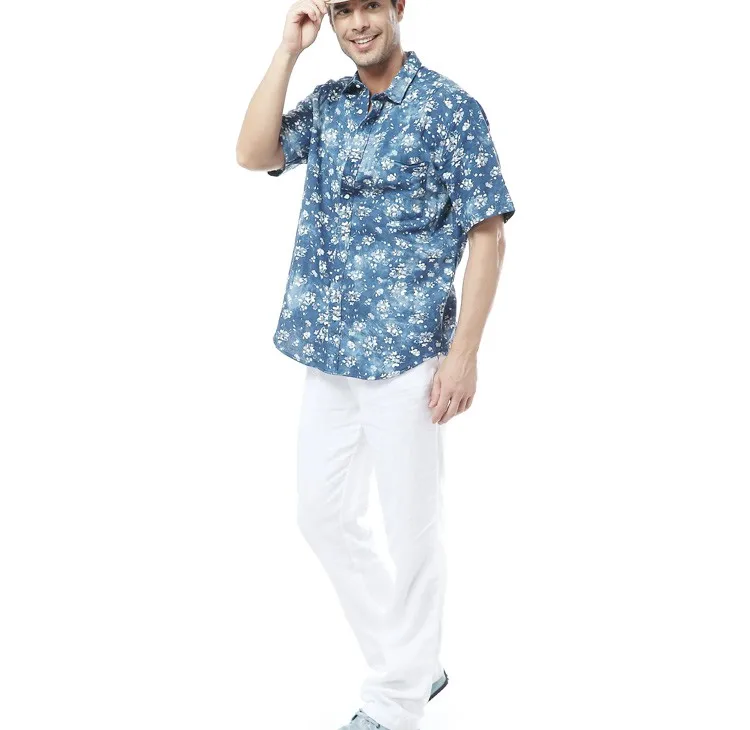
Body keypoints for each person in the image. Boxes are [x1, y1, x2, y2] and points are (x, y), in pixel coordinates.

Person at [236, 1, 515, 728]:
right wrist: (288, 51)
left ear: (398, 8)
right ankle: (413, 662)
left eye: (370, 6)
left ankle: (395, 703)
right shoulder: (330, 105)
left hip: (408, 356)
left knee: (411, 530)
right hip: (328, 350)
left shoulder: (449, 108)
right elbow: (254, 153)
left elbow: (488, 235)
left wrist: (464, 356)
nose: (357, 23)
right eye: (343, 10)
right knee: (321, 514)